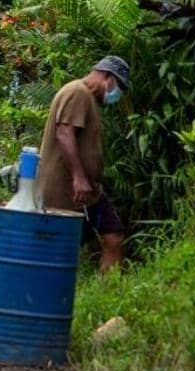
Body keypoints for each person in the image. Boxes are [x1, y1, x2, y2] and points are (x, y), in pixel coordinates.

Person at [37, 56, 131, 273]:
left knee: (112, 235)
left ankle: (107, 292)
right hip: (67, 187)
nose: (117, 94)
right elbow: (64, 133)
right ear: (108, 78)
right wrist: (79, 177)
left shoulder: (86, 97)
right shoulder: (78, 92)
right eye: (119, 87)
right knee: (59, 247)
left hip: (88, 190)